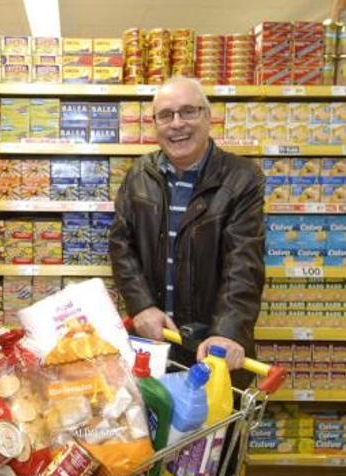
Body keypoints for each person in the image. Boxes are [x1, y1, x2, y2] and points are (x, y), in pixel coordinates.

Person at [109, 76, 265, 381]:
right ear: (155, 124)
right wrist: (141, 306)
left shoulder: (242, 177)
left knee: (213, 426)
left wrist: (227, 332)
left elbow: (244, 263)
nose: (177, 124)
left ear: (208, 117)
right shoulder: (139, 174)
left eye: (188, 112)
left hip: (210, 347)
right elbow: (121, 245)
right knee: (150, 425)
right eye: (166, 115)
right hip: (151, 344)